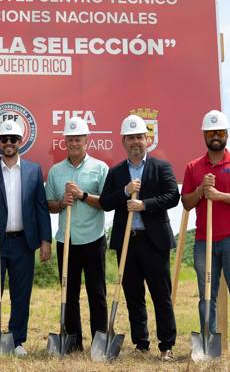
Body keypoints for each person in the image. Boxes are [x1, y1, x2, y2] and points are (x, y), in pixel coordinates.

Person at [100, 114, 179, 361]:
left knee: (160, 295)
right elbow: (104, 203)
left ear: (147, 139)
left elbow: (172, 197)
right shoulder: (116, 173)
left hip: (154, 241)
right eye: (130, 138)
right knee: (133, 296)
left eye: (139, 137)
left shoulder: (161, 167)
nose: (135, 142)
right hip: (127, 241)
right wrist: (124, 192)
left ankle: (166, 345)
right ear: (123, 141)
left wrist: (144, 204)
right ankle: (141, 343)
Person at [181, 109, 230, 364]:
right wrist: (202, 190)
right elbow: (187, 203)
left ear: (227, 134)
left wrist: (219, 195)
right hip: (205, 241)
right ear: (204, 135)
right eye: (211, 132)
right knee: (206, 295)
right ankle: (207, 344)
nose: (215, 136)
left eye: (220, 132)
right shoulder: (194, 167)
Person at [0, 120, 52, 357]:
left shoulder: (33, 170)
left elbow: (41, 207)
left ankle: (17, 340)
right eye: (4, 140)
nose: (8, 143)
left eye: (13, 139)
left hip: (24, 243)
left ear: (20, 142)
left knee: (21, 293)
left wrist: (45, 239)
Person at [44, 116, 109, 352]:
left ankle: (99, 342)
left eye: (78, 139)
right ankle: (73, 343)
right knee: (68, 294)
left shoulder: (100, 168)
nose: (73, 143)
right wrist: (62, 203)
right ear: (65, 141)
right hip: (66, 240)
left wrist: (82, 195)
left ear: (86, 140)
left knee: (97, 294)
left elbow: (106, 203)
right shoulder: (55, 171)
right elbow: (49, 204)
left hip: (93, 239)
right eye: (69, 139)